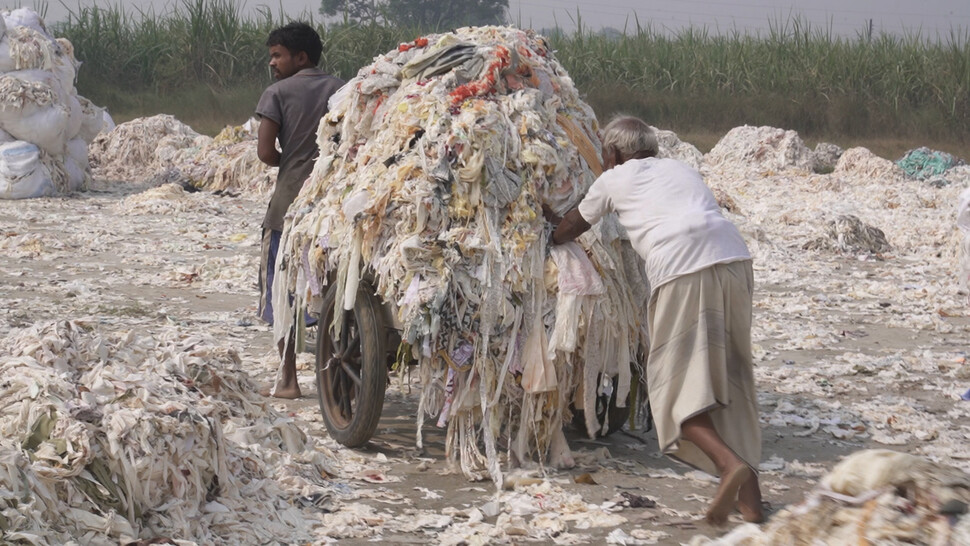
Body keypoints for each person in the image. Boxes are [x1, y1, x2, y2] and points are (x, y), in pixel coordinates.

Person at [546, 116, 764, 525]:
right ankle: (751, 505)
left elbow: (573, 225)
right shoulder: (681, 168)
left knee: (671, 389)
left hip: (683, 268)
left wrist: (551, 230)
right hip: (735, 259)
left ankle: (729, 464)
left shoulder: (613, 178)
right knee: (731, 379)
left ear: (611, 153)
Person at [255, 22, 344, 399]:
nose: (272, 63)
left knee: (284, 293)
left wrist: (291, 159)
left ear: (300, 57)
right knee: (333, 290)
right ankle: (339, 378)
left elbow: (264, 154)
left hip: (289, 205)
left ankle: (289, 381)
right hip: (333, 206)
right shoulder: (343, 88)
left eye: (277, 55)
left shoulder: (277, 93)